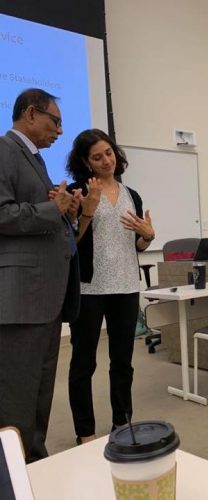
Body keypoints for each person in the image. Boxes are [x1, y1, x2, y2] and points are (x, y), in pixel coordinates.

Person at [0, 88, 80, 462]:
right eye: (55, 121)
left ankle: (34, 460)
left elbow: (39, 215)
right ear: (31, 114)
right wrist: (53, 209)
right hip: (23, 297)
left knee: (39, 389)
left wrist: (67, 211)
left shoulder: (34, 158)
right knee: (17, 391)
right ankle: (15, 472)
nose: (60, 131)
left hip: (44, 295)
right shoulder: (4, 150)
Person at [65, 129, 155, 444]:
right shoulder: (77, 192)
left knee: (123, 361)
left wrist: (148, 236)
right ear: (85, 162)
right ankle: (85, 432)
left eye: (109, 152)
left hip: (126, 285)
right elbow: (70, 242)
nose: (106, 160)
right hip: (89, 289)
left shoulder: (132, 195)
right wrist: (87, 211)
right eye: (97, 157)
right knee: (83, 362)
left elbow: (138, 244)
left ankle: (121, 422)